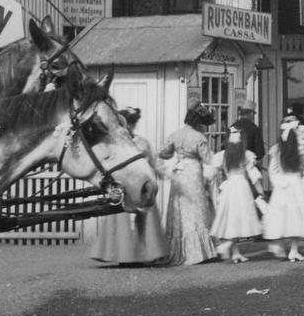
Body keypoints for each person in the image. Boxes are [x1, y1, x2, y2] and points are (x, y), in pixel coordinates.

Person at [82, 107, 167, 265]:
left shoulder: (141, 142)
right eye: (129, 123)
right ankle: (123, 255)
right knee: (120, 215)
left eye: (133, 123)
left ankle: (144, 254)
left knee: (143, 214)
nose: (131, 127)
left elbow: (153, 162)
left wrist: (164, 173)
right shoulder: (115, 142)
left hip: (140, 187)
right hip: (122, 185)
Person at [157, 103, 220, 266]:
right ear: (199, 122)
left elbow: (163, 153)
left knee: (179, 207)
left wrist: (176, 154)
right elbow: (208, 159)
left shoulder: (175, 134)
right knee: (196, 207)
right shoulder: (199, 137)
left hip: (179, 171)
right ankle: (198, 251)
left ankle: (178, 250)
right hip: (193, 171)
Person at [263, 114, 304, 261]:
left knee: (281, 217)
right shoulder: (298, 148)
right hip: (295, 182)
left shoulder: (277, 149)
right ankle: (293, 250)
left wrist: (279, 182)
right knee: (297, 218)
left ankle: (279, 244)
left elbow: (273, 170)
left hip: (283, 185)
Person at [209, 125, 264, 262]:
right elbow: (253, 174)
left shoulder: (222, 155)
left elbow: (213, 173)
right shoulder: (247, 155)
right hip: (241, 187)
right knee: (240, 218)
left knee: (233, 219)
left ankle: (235, 252)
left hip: (228, 187)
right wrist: (260, 190)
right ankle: (227, 246)